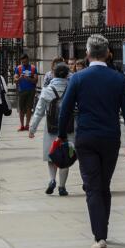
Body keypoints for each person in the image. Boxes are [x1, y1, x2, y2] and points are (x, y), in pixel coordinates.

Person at [57, 35, 125, 248]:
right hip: (110, 138)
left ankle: (100, 237)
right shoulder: (118, 79)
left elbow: (65, 110)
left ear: (87, 54)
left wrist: (62, 136)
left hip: (86, 138)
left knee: (92, 187)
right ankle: (103, 231)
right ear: (108, 54)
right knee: (103, 185)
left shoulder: (78, 78)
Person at [28, 62, 73, 197]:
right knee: (65, 157)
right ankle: (62, 187)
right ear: (67, 74)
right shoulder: (72, 88)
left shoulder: (47, 90)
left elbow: (39, 111)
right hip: (68, 128)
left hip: (51, 128)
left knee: (51, 156)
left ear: (53, 74)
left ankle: (52, 179)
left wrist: (32, 128)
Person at [14, 53, 38, 131]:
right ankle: (22, 125)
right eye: (23, 62)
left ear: (28, 60)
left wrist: (29, 79)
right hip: (21, 90)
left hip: (31, 90)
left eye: (25, 62)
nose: (24, 63)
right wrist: (20, 78)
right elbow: (15, 80)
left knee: (29, 108)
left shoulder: (33, 68)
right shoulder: (19, 68)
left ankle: (27, 125)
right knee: (21, 109)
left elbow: (36, 80)